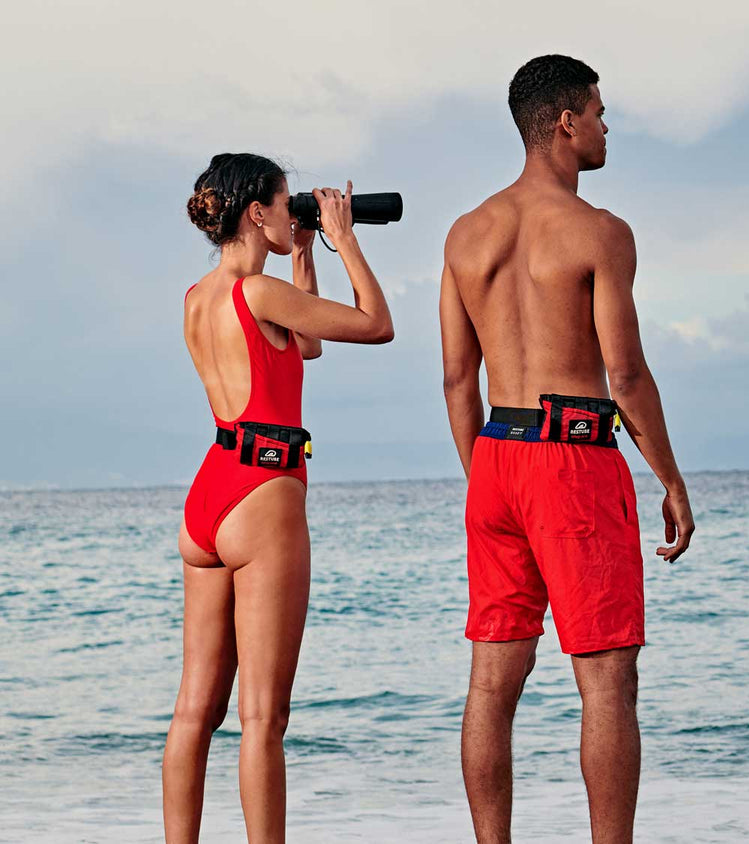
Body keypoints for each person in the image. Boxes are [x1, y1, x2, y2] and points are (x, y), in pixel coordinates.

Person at [440, 55, 695, 844]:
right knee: (609, 681)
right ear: (564, 123)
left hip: (495, 459)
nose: (606, 125)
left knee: (491, 683)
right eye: (599, 111)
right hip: (573, 459)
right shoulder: (598, 232)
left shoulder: (465, 233)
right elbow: (625, 372)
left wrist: (486, 477)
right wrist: (672, 480)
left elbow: (456, 379)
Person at [164, 153, 394, 844]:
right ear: (256, 211)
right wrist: (344, 234)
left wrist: (303, 252)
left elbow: (307, 345)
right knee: (263, 717)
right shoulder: (258, 294)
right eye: (289, 202)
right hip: (264, 493)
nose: (300, 213)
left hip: (210, 491)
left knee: (194, 713)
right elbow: (376, 323)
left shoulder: (199, 296)